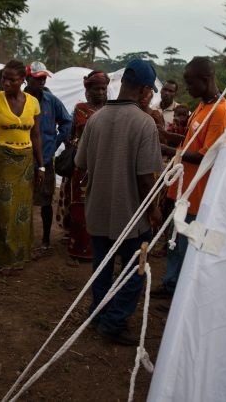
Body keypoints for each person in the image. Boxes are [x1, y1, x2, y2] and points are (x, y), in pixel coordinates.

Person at [74, 59, 163, 346]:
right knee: (135, 271)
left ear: (122, 82)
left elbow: (81, 163)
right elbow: (144, 178)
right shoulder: (144, 123)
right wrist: (155, 210)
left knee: (102, 266)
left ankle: (98, 314)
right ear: (146, 90)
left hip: (98, 210)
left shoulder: (95, 119)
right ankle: (113, 322)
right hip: (131, 216)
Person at [152, 57, 226, 299]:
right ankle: (170, 284)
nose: (187, 89)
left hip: (197, 194)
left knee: (187, 246)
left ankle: (179, 294)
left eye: (190, 83)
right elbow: (190, 142)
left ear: (206, 79)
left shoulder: (220, 111)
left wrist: (170, 152)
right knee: (175, 242)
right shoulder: (202, 106)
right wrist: (163, 136)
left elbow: (207, 155)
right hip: (181, 189)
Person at [0, 60, 44, 274]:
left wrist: (41, 165)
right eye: (4, 78)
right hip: (4, 159)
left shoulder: (33, 103)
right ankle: (1, 259)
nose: (6, 82)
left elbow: (35, 134)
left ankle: (20, 255)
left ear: (22, 80)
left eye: (12, 79)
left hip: (26, 160)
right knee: (4, 210)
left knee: (23, 210)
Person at [60, 70, 108, 262]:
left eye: (104, 89)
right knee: (80, 206)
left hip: (104, 164)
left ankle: (99, 248)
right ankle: (79, 249)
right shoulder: (81, 109)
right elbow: (79, 133)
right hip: (83, 164)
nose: (101, 93)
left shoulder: (110, 110)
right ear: (88, 90)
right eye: (97, 89)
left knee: (100, 206)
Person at [24, 61, 72, 253]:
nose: (42, 82)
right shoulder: (20, 100)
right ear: (27, 79)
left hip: (45, 159)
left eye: (44, 78)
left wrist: (55, 143)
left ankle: (45, 240)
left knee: (45, 201)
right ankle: (24, 239)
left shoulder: (51, 101)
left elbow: (67, 123)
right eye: (37, 79)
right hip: (22, 158)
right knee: (23, 201)